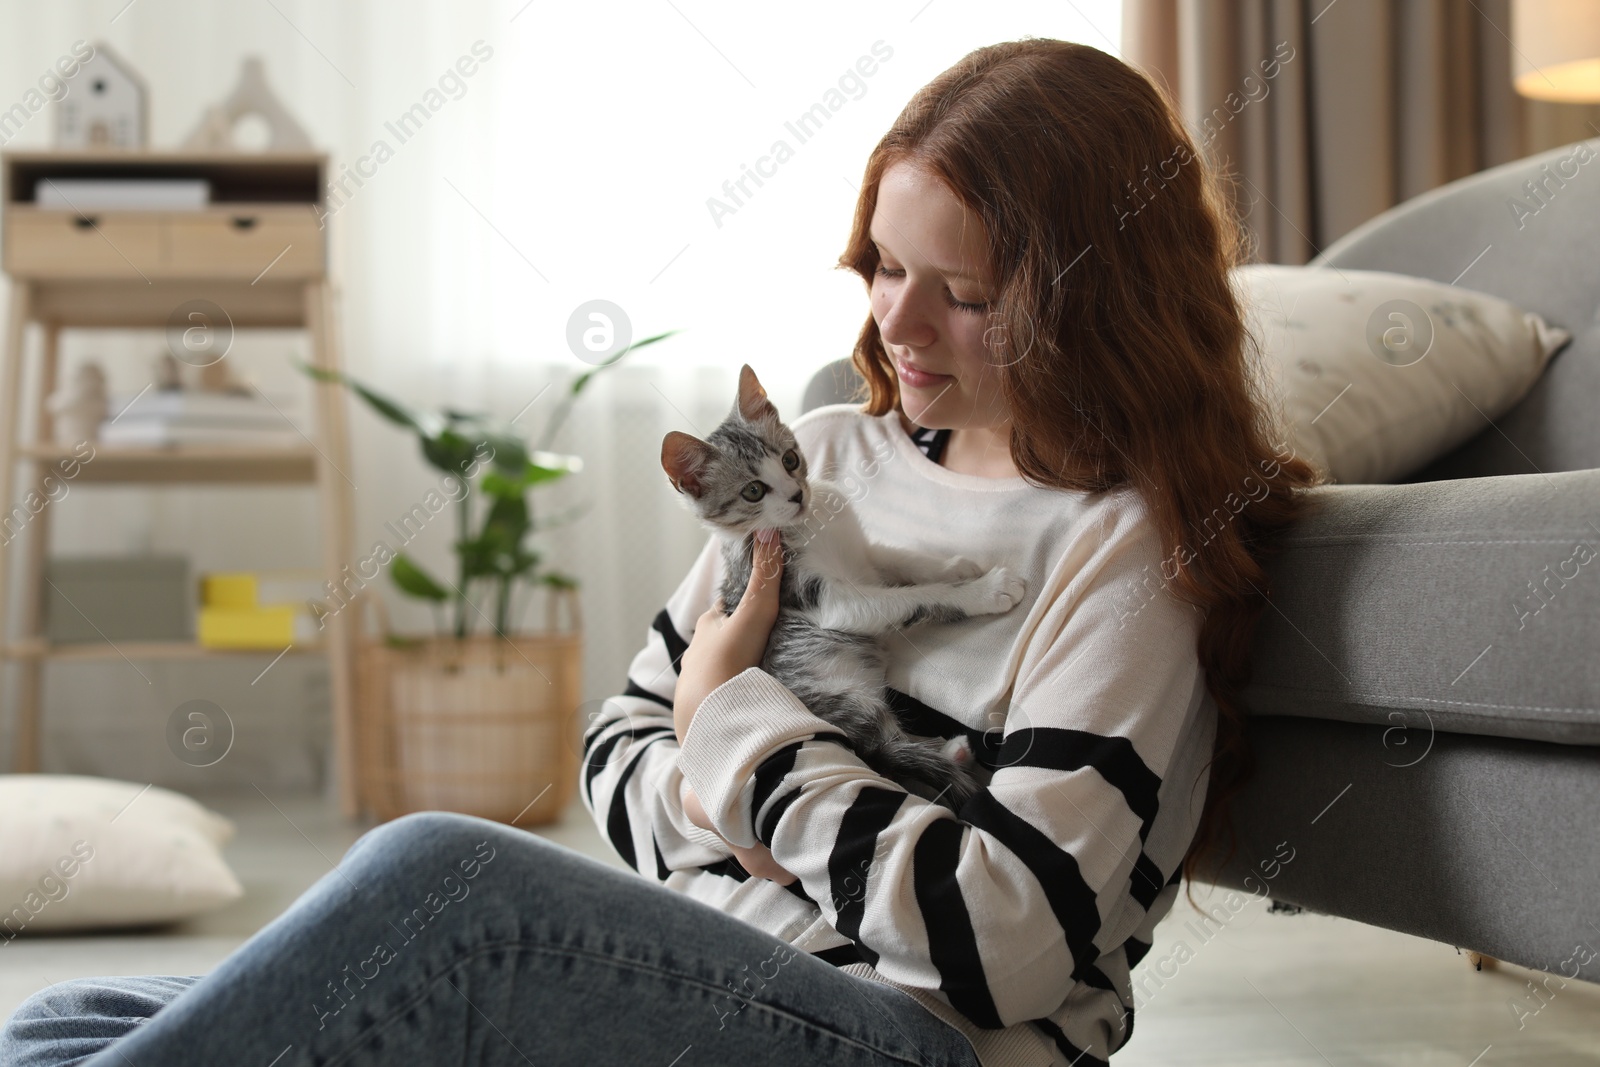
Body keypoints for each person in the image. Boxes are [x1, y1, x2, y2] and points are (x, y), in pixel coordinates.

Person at [0, 38, 1319, 1067]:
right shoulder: (824, 455)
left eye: (963, 296)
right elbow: (617, 744)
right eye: (880, 267)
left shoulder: (1130, 554)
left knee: (429, 879)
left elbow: (998, 943)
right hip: (705, 970)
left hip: (913, 1044)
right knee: (70, 1022)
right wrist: (751, 807)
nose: (898, 322)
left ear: (1080, 295)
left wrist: (733, 728)